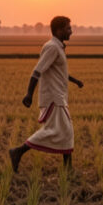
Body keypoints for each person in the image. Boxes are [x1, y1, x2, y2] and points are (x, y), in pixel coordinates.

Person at [9, 15, 83, 172]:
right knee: (58, 131)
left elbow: (59, 72)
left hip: (59, 97)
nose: (71, 31)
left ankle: (68, 167)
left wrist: (75, 81)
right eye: (68, 28)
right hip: (53, 98)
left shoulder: (58, 47)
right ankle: (18, 151)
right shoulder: (52, 47)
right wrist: (29, 94)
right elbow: (37, 71)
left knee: (66, 131)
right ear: (58, 30)